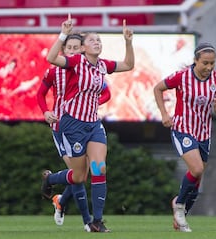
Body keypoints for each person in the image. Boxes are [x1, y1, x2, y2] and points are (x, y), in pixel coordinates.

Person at [41, 14, 134, 232]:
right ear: (82, 48)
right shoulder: (76, 62)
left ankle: (97, 221)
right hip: (72, 124)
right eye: (92, 40)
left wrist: (128, 42)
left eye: (99, 40)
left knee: (99, 168)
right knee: (79, 176)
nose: (97, 43)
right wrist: (63, 33)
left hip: (93, 124)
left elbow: (129, 64)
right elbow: (51, 57)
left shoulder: (102, 65)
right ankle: (51, 179)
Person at [37, 33, 111, 227]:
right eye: (68, 48)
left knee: (86, 172)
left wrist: (92, 103)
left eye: (76, 48)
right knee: (79, 174)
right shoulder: (55, 72)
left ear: (81, 50)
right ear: (63, 51)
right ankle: (88, 221)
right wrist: (46, 112)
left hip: (86, 124)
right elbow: (40, 94)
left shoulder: (87, 70)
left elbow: (106, 92)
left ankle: (60, 199)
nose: (72, 51)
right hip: (62, 127)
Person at [153, 42, 216, 232]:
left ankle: (181, 216)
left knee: (198, 179)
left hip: (204, 133)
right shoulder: (182, 76)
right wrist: (164, 114)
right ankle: (179, 206)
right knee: (196, 168)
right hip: (183, 128)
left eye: (212, 63)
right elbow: (158, 88)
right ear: (195, 61)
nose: (209, 68)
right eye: (205, 63)